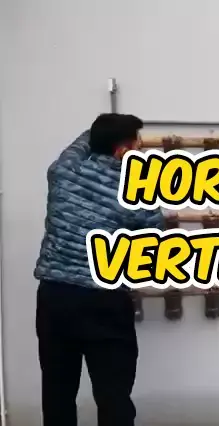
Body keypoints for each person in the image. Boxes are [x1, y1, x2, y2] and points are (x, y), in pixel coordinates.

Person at [34, 113, 164, 426]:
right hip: (104, 300)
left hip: (55, 297)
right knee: (113, 393)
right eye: (137, 143)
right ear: (123, 150)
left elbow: (82, 142)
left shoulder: (63, 170)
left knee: (57, 390)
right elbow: (153, 236)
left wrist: (104, 130)